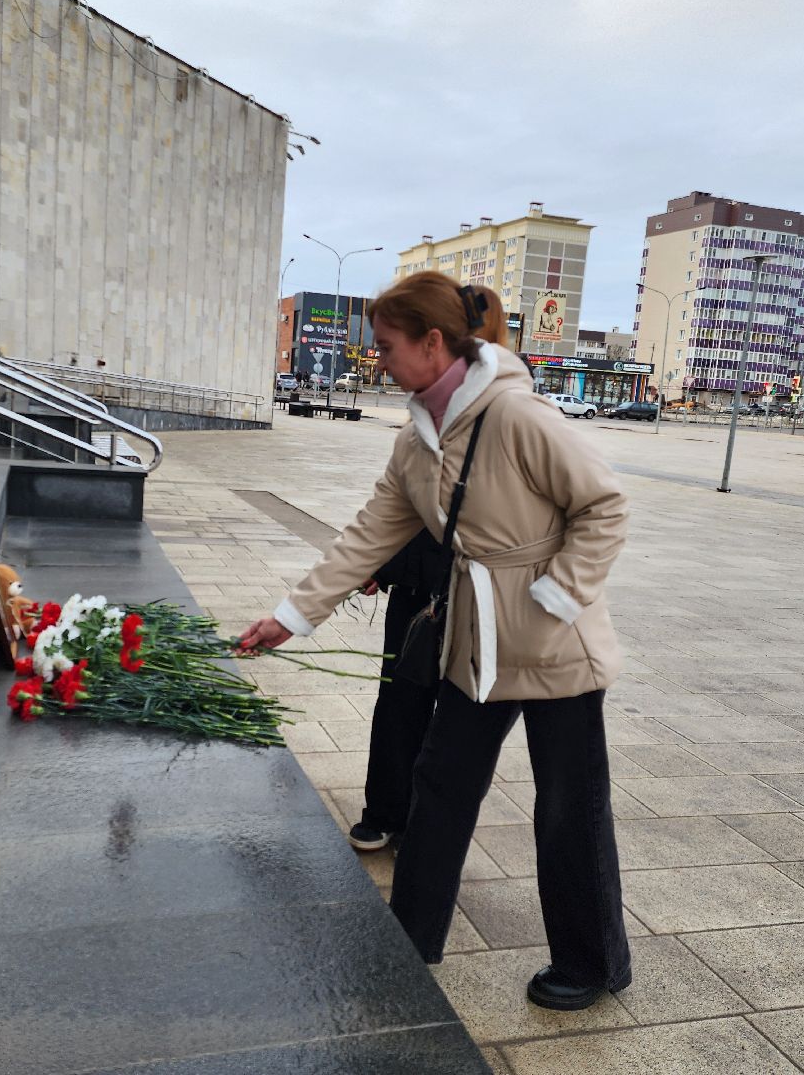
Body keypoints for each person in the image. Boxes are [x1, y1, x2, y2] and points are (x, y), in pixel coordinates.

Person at [240, 272, 632, 1011]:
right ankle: (411, 937)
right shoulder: (416, 436)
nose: (377, 358)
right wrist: (290, 617)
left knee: (568, 806)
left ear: (431, 341)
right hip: (475, 639)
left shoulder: (516, 415)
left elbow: (605, 505)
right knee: (439, 785)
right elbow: (368, 534)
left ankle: (590, 963)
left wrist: (555, 596)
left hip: (555, 644)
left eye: (386, 346)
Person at [348, 286, 510, 853]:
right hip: (419, 592)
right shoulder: (432, 415)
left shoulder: (504, 413)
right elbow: (403, 513)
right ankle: (387, 810)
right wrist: (379, 568)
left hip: (478, 598)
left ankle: (430, 825)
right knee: (400, 701)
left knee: (456, 722)